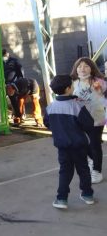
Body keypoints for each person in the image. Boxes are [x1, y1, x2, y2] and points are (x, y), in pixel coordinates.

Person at [44, 75, 94, 209]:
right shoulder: (77, 106)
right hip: (79, 146)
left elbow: (47, 123)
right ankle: (87, 195)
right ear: (68, 89)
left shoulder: (50, 107)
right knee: (83, 169)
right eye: (72, 86)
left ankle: (61, 198)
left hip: (62, 147)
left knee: (65, 171)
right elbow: (89, 124)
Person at [70, 57, 106, 184]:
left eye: (86, 66)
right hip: (80, 119)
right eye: (80, 66)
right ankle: (91, 160)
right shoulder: (73, 83)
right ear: (76, 69)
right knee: (82, 143)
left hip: (97, 118)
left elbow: (103, 98)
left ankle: (97, 171)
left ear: (92, 68)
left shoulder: (97, 82)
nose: (82, 69)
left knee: (95, 144)